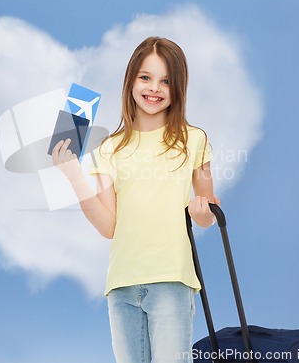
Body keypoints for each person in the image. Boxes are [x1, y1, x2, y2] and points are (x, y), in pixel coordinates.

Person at [52, 36, 219, 363]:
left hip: (173, 282)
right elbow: (109, 226)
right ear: (130, 80)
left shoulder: (193, 140)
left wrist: (203, 209)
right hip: (123, 287)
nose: (154, 88)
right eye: (145, 77)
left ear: (178, 88)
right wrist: (73, 174)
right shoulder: (107, 148)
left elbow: (208, 209)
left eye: (165, 81)